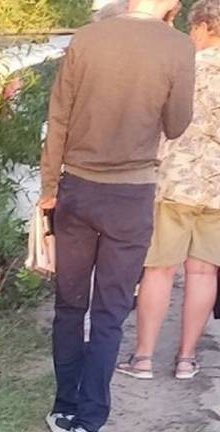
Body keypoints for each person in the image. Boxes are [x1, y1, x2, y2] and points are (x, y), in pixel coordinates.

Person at [39, 0, 195, 432]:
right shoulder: (178, 46)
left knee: (70, 305)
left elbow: (58, 119)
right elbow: (177, 123)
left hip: (77, 189)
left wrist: (49, 186)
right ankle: (89, 425)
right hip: (131, 196)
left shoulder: (86, 38)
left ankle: (64, 408)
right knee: (109, 313)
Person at [116, 0, 220, 381]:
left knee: (158, 271)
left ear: (204, 27)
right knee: (204, 273)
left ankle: (142, 359)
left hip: (172, 183)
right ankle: (187, 360)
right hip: (217, 192)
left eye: (194, 29)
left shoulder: (184, 66)